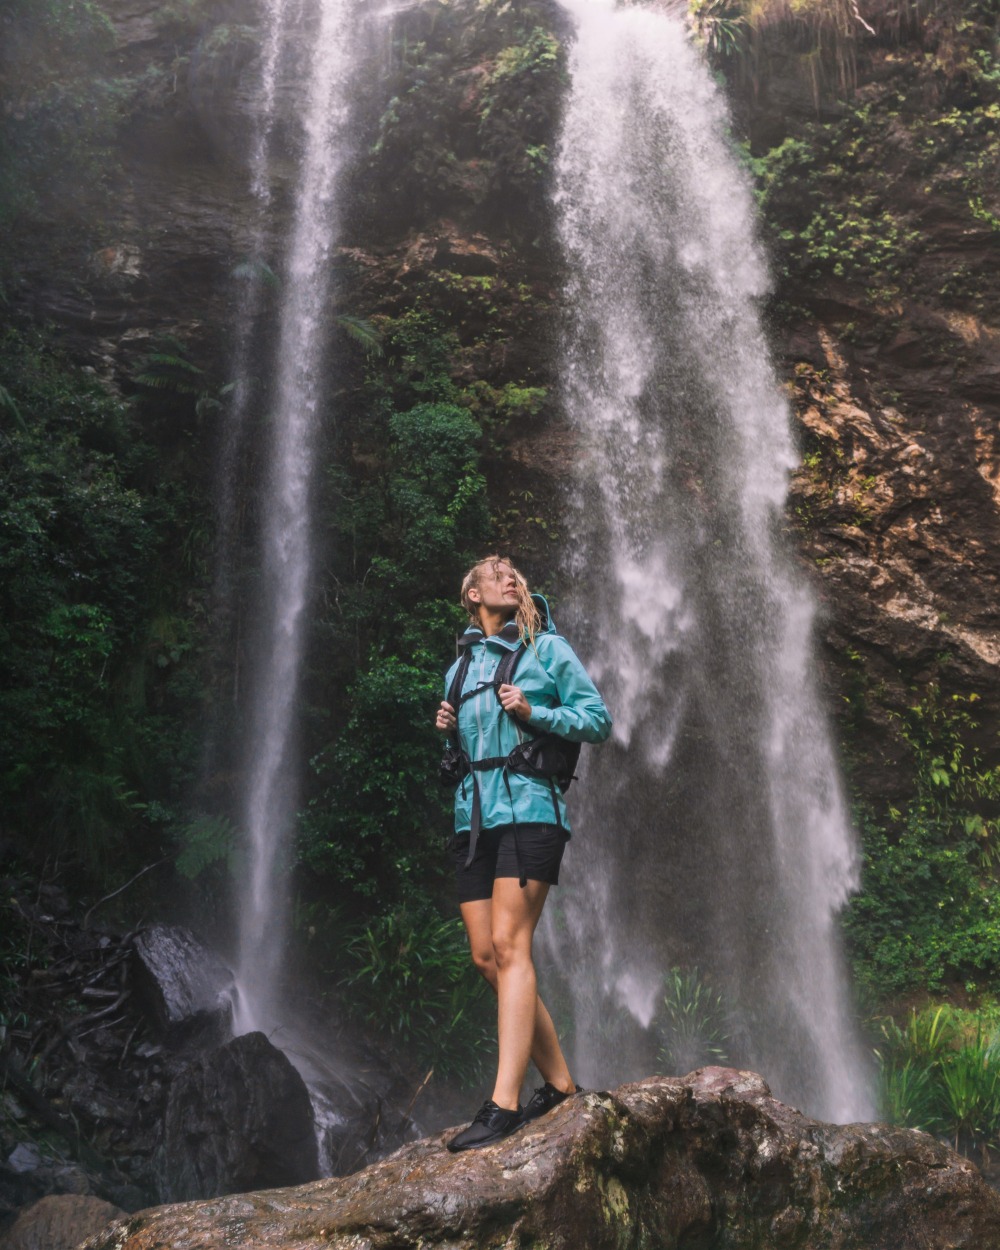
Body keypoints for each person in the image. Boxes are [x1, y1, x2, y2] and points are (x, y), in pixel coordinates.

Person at [435, 554, 612, 1152]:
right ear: (472, 593)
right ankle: (560, 1085)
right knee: (486, 956)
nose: (509, 577)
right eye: (495, 571)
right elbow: (465, 747)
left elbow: (597, 719)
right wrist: (448, 726)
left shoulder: (547, 651)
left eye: (515, 572)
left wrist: (535, 712)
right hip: (473, 820)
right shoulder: (457, 672)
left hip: (531, 812)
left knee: (513, 947)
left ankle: (504, 1104)